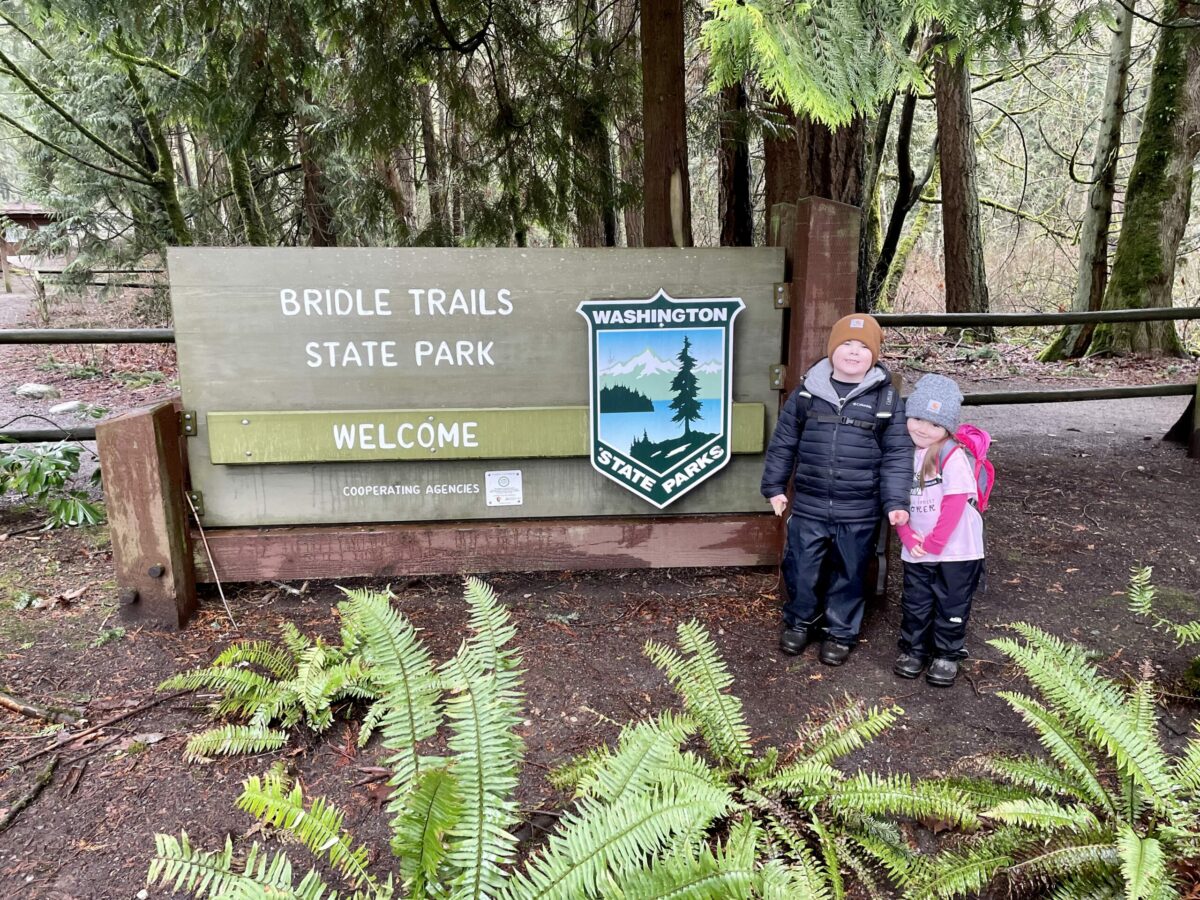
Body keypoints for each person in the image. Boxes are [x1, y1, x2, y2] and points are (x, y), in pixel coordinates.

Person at [761, 313, 912, 666]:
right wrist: (774, 486)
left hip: (859, 509)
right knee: (801, 566)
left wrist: (895, 500)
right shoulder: (806, 394)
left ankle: (841, 631)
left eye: (863, 347)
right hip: (810, 504)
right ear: (832, 350)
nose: (854, 352)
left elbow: (898, 454)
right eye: (846, 344)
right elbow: (784, 444)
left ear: (874, 355)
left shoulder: (886, 401)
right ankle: (800, 622)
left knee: (850, 572)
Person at [892, 374, 985, 688]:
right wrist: (907, 537)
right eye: (917, 418)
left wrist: (935, 541)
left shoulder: (951, 455)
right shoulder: (904, 455)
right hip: (918, 547)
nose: (922, 428)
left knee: (951, 602)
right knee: (916, 600)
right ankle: (914, 650)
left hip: (957, 549)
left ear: (947, 428)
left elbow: (955, 502)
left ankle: (946, 653)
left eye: (933, 424)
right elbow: (899, 501)